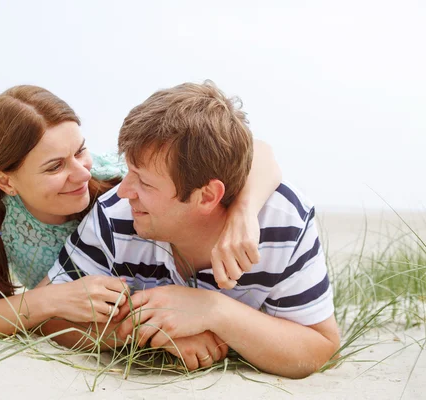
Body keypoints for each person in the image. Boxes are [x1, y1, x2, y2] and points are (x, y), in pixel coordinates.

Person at [44, 81, 340, 378]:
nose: (124, 191)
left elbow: (320, 349)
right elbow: (50, 315)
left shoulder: (282, 222)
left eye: (145, 182)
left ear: (207, 196)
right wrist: (148, 332)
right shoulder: (114, 216)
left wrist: (213, 311)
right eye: (129, 171)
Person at [0, 85, 282, 340]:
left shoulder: (115, 178)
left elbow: (255, 151)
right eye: (55, 166)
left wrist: (244, 213)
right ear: (5, 181)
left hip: (155, 309)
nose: (81, 174)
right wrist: (51, 300)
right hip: (91, 319)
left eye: (80, 150)